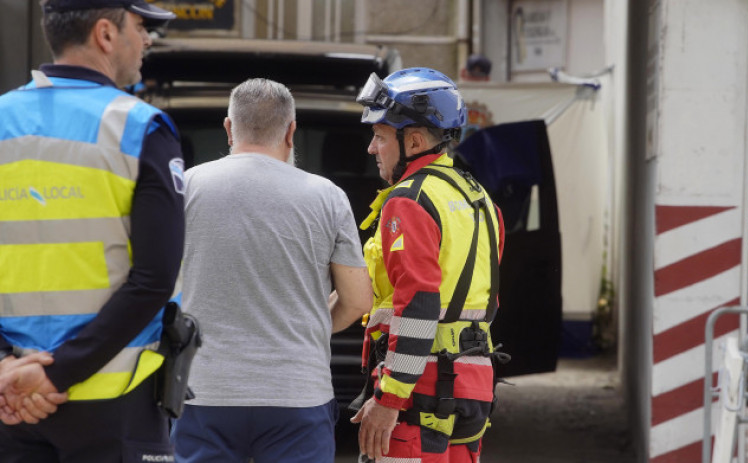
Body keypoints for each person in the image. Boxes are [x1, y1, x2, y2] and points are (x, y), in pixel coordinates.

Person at [0, 0, 186, 461]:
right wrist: (56, 374)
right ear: (106, 33)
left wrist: (8, 368)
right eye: (141, 27)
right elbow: (154, 279)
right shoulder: (141, 127)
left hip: (11, 401)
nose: (147, 40)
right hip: (116, 402)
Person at [171, 78, 373, 463]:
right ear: (291, 131)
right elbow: (358, 299)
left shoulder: (186, 186)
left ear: (229, 128)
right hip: (297, 393)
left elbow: (156, 281)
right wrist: (303, 327)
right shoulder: (326, 196)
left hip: (205, 391)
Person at [349, 67, 506, 462]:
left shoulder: (407, 200)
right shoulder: (480, 200)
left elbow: (419, 305)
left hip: (420, 391)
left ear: (414, 140)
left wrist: (389, 398)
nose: (372, 148)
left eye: (380, 136)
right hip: (474, 385)